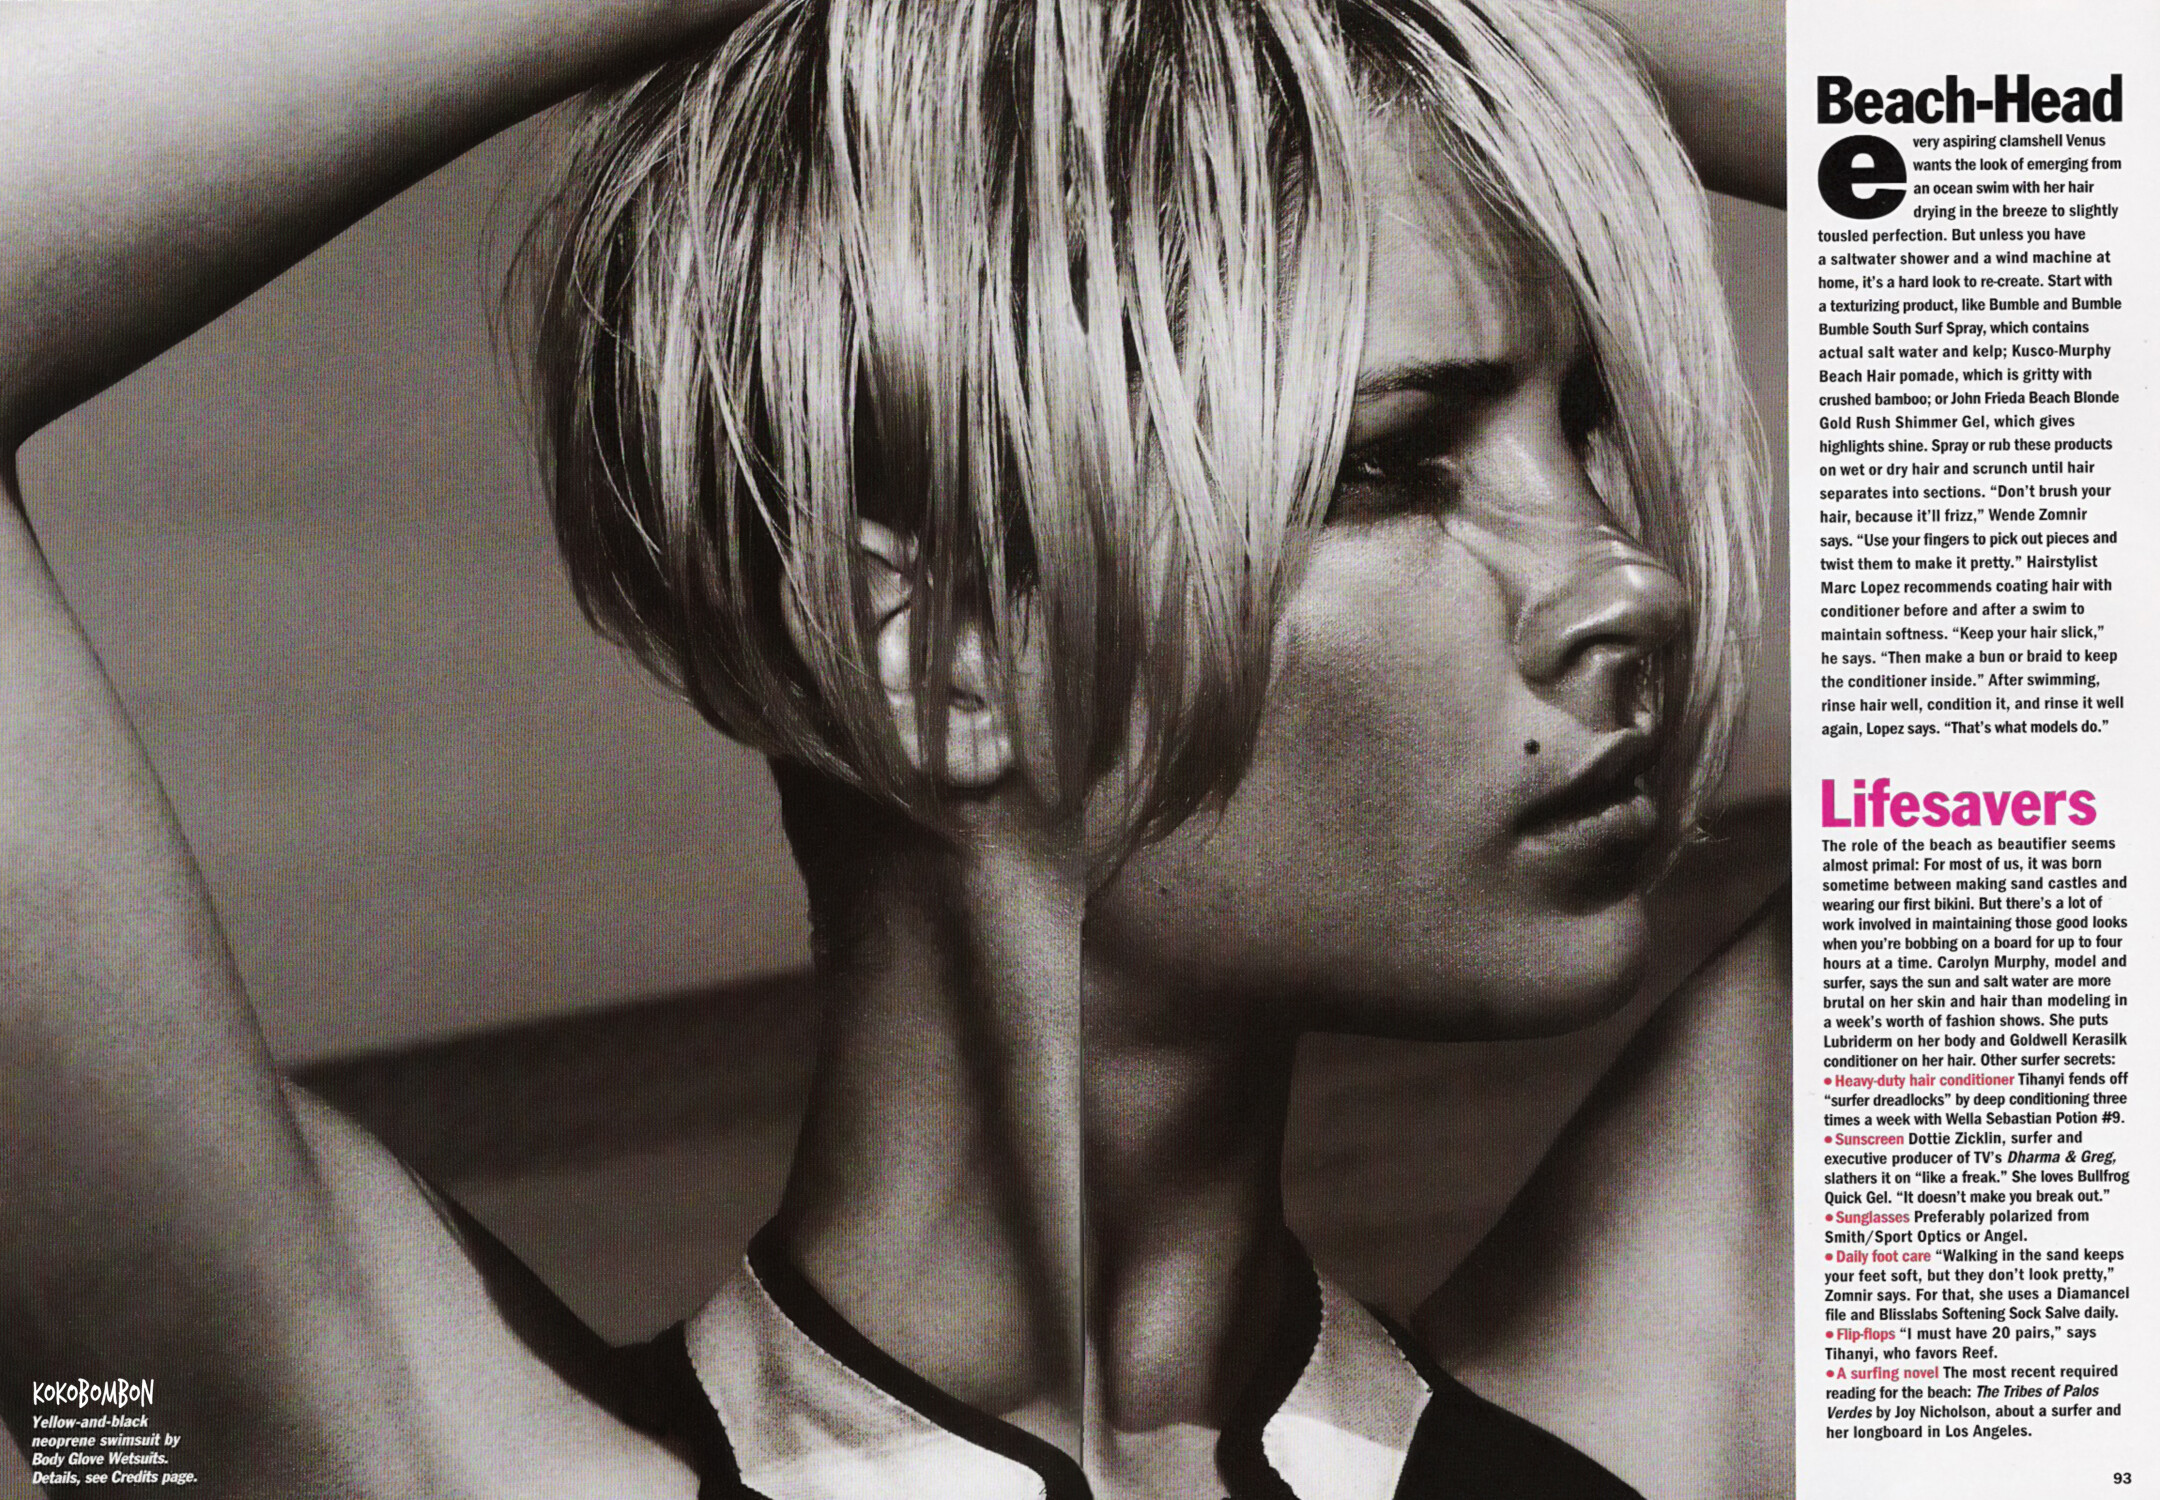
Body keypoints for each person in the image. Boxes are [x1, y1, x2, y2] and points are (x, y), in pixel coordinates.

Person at [0, 0, 1784, 1496]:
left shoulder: (1669, 1417)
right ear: (933, 652)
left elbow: (1968, 147)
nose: (1626, 577)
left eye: (1584, 425)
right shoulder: (360, 1454)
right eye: (1389, 466)